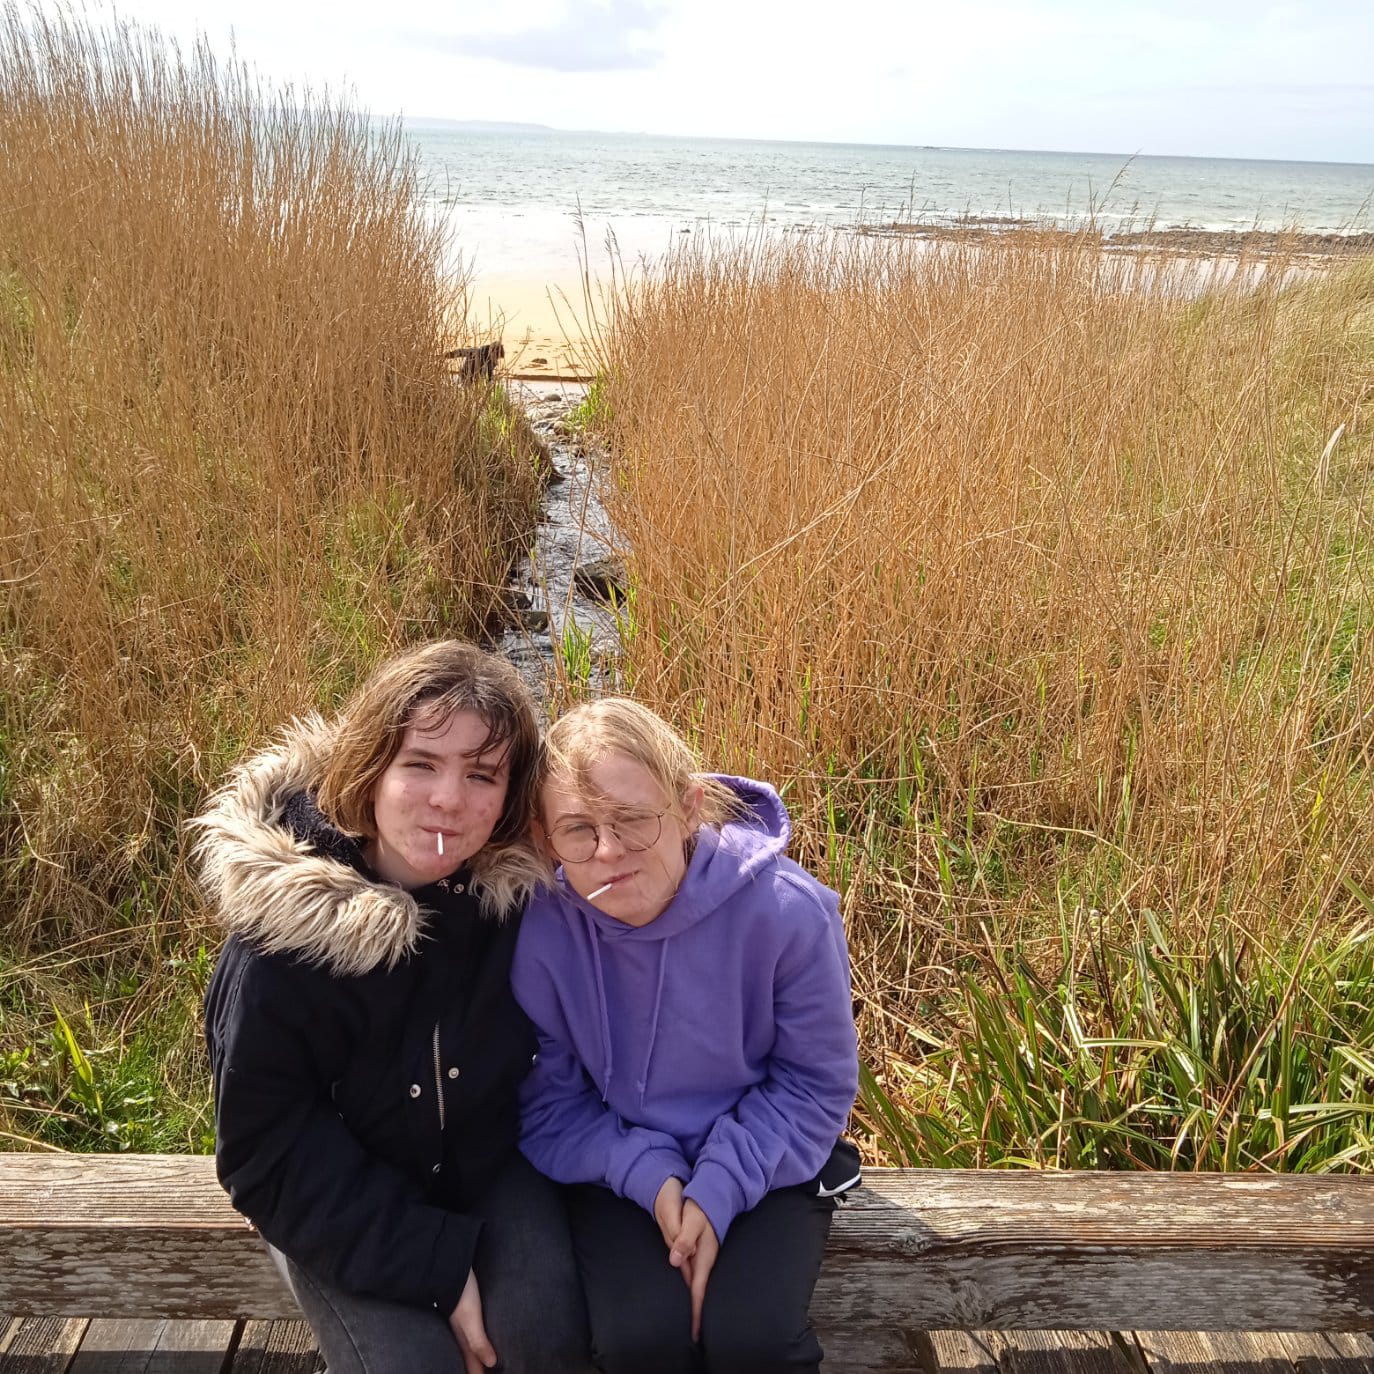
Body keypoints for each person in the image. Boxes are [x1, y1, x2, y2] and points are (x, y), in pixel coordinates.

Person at [195, 641, 590, 1374]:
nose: (448, 799)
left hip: (488, 1163)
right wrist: (433, 1267)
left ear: (510, 796)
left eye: (481, 774)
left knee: (542, 1344)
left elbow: (649, 840)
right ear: (369, 769)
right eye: (420, 764)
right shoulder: (288, 933)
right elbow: (263, 1149)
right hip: (336, 1188)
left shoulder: (519, 899)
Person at [512, 697, 860, 1374]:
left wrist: (719, 1186)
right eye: (578, 829)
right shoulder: (544, 934)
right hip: (618, 1162)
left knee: (752, 1340)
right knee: (639, 1340)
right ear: (544, 836)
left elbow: (815, 1086)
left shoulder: (790, 916)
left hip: (771, 1157)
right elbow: (548, 1104)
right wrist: (651, 1177)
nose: (608, 852)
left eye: (633, 820)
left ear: (689, 807)